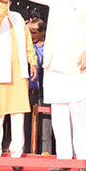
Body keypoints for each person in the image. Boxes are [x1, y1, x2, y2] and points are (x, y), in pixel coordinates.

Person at [0, 0, 86, 171]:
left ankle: (83, 161)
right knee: (59, 116)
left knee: (77, 115)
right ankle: (64, 159)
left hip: (76, 65)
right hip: (54, 65)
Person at [0, 0, 38, 171]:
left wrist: (33, 61)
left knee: (18, 115)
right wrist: (3, 6)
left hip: (19, 73)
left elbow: (28, 41)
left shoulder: (17, 17)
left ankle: (16, 155)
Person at [25, 18, 52, 154]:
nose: (31, 35)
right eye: (29, 32)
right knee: (26, 128)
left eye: (34, 32)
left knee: (45, 130)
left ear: (43, 32)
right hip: (28, 93)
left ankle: (46, 157)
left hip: (46, 94)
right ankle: (27, 156)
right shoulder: (26, 48)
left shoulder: (50, 48)